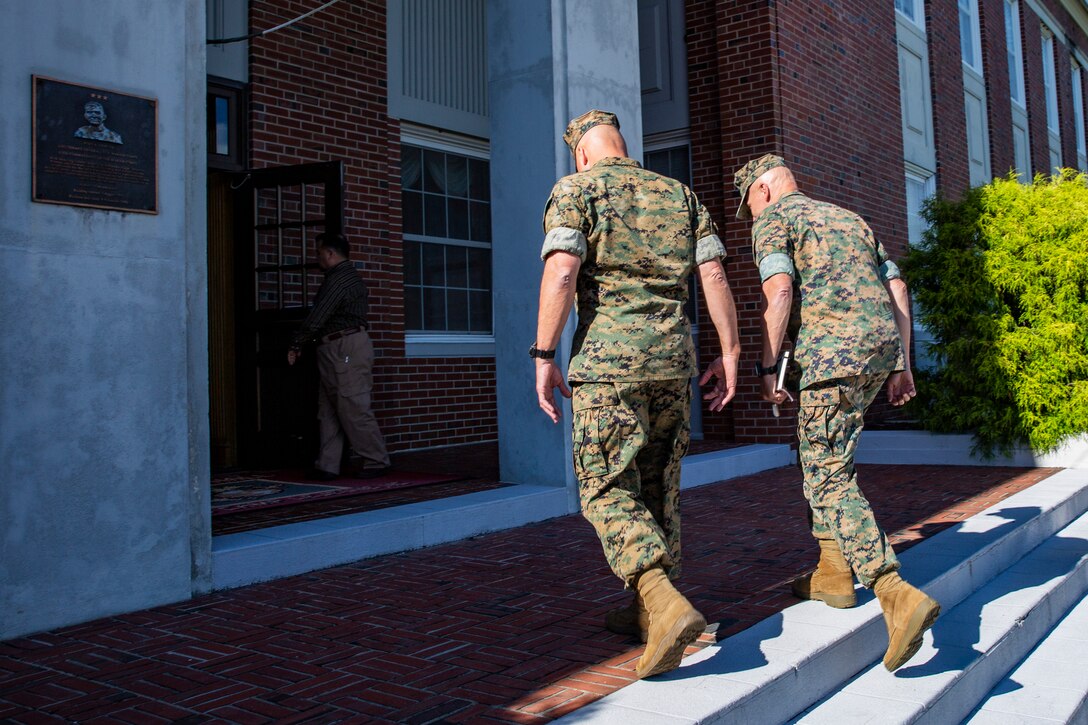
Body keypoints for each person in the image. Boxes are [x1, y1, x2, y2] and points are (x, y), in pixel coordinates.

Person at [534, 110, 740, 679]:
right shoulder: (681, 195)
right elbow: (716, 278)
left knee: (605, 488)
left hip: (610, 365)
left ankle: (663, 600)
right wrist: (730, 353)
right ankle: (646, 608)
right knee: (658, 486)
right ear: (622, 145)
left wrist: (543, 355)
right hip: (674, 365)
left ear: (580, 152)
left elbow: (561, 272)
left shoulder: (576, 190)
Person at [734, 153, 939, 672]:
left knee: (827, 476)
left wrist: (765, 367)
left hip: (830, 358)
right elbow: (897, 287)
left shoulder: (776, 220)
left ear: (762, 192)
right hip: (874, 354)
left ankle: (894, 593)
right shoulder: (851, 219)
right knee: (827, 459)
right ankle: (832, 574)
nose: (752, 217)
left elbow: (779, 291)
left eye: (749, 207)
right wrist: (903, 363)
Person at [287, 232, 390, 480]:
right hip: (336, 348)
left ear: (330, 253)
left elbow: (319, 315)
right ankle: (327, 465)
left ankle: (376, 460)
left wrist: (296, 343)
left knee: (352, 404)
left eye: (318, 252)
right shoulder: (342, 277)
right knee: (329, 409)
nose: (316, 257)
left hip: (344, 347)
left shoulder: (339, 280)